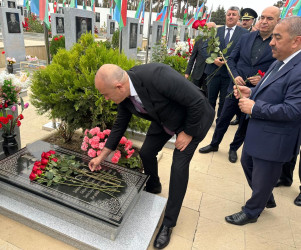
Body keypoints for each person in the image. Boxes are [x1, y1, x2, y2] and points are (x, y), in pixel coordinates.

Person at [89, 63, 214, 248]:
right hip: (164, 118)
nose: (106, 99)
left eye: (105, 94)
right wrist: (102, 155)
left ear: (119, 86)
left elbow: (197, 101)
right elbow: (119, 125)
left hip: (193, 119)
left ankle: (168, 223)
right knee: (146, 152)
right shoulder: (124, 96)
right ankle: (154, 185)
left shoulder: (157, 75)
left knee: (178, 167)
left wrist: (187, 132)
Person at [225, 16, 301, 226]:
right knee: (247, 163)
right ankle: (265, 196)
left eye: (277, 37)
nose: (271, 43)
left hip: (275, 138)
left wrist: (255, 107)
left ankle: (252, 211)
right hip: (260, 131)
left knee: (264, 176)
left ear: (296, 41)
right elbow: (270, 89)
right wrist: (251, 92)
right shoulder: (280, 61)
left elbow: (294, 110)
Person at [199, 6, 280, 163]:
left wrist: (262, 79)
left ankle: (233, 148)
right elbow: (232, 60)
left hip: (255, 92)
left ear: (278, 21)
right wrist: (235, 76)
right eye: (262, 17)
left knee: (244, 123)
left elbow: (278, 67)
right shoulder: (246, 38)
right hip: (235, 88)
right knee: (223, 118)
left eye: (269, 19)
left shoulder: (277, 43)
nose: (264, 21)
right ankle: (214, 144)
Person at [201, 6, 248, 120]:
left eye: (234, 14)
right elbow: (204, 48)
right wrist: (213, 60)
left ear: (239, 17)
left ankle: (219, 120)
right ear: (226, 16)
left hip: (230, 74)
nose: (231, 16)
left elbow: (244, 53)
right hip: (213, 71)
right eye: (229, 14)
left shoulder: (245, 34)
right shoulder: (216, 31)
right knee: (210, 99)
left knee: (224, 100)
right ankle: (207, 120)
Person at [185, 22, 216, 96]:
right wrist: (187, 72)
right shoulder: (199, 41)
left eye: (211, 29)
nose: (208, 30)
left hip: (209, 75)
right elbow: (192, 58)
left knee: (207, 96)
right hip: (197, 73)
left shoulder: (216, 43)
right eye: (207, 28)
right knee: (193, 94)